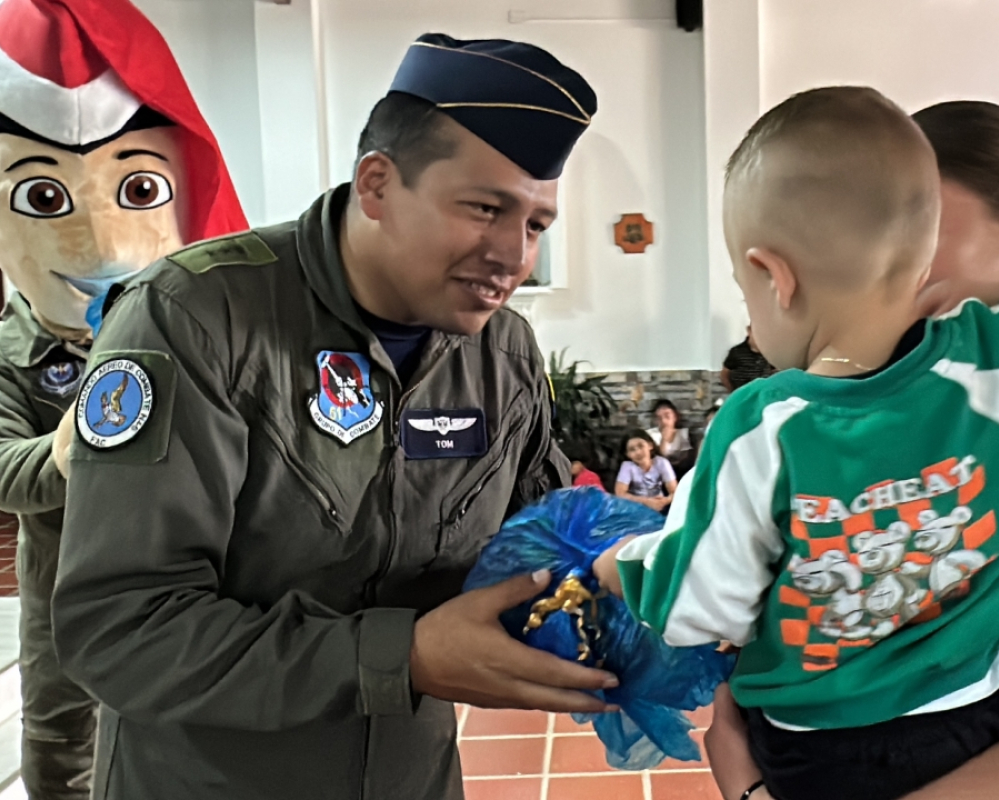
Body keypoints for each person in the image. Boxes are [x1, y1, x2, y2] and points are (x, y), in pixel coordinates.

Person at [50, 33, 618, 800]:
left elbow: (537, 540)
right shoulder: (195, 319)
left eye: (537, 225)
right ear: (378, 185)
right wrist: (403, 656)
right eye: (486, 209)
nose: (514, 255)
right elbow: (121, 628)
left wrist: (643, 571)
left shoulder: (503, 352)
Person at [593, 87, 999, 800]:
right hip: (966, 717)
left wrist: (621, 566)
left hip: (811, 744)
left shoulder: (763, 424)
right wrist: (993, 327)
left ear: (773, 278)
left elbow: (696, 605)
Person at [0, 0, 247, 796]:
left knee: (185, 736)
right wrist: (75, 443)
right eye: (43, 200)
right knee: (62, 745)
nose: (100, 244)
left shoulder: (208, 333)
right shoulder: (10, 349)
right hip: (63, 591)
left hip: (193, 590)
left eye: (137, 186)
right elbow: (5, 469)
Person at [614, 429, 678, 513]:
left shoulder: (662, 463)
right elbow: (620, 494)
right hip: (635, 508)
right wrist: (647, 502)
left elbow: (675, 492)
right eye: (632, 450)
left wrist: (665, 501)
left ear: (650, 445)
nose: (638, 452)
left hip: (659, 506)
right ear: (628, 455)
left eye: (641, 446)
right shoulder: (627, 466)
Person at [646, 398, 695, 475]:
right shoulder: (650, 435)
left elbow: (688, 459)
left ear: (675, 417)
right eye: (659, 418)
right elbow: (653, 462)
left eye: (667, 416)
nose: (663, 421)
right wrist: (664, 440)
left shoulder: (684, 434)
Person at [721, 324, 775, 391]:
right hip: (742, 394)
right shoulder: (737, 352)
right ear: (749, 331)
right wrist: (732, 392)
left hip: (762, 394)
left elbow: (774, 371)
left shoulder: (769, 352)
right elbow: (725, 374)